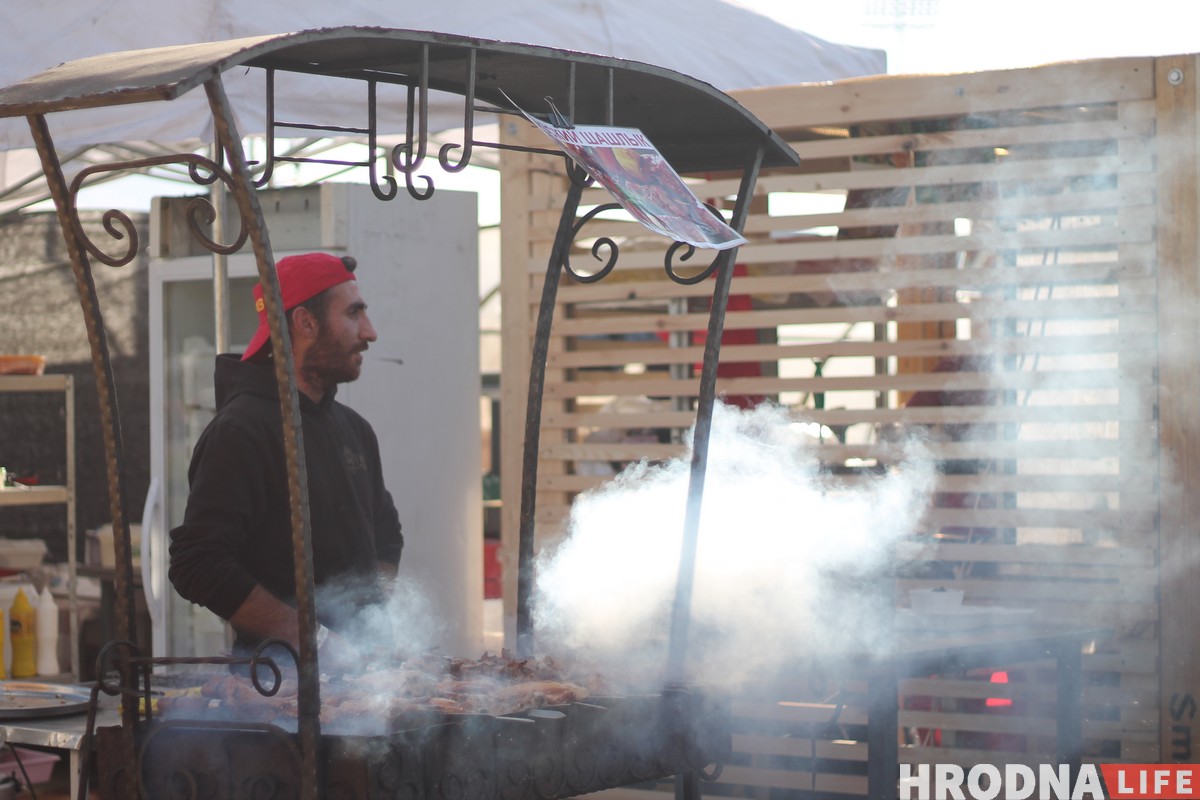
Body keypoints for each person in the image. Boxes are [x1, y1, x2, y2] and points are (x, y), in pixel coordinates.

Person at [168, 252, 403, 670]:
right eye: (353, 314)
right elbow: (198, 562)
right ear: (305, 323)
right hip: (277, 691)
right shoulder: (241, 431)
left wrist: (370, 625)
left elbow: (387, 535)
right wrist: (313, 640)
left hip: (366, 682)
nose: (370, 332)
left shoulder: (356, 430)